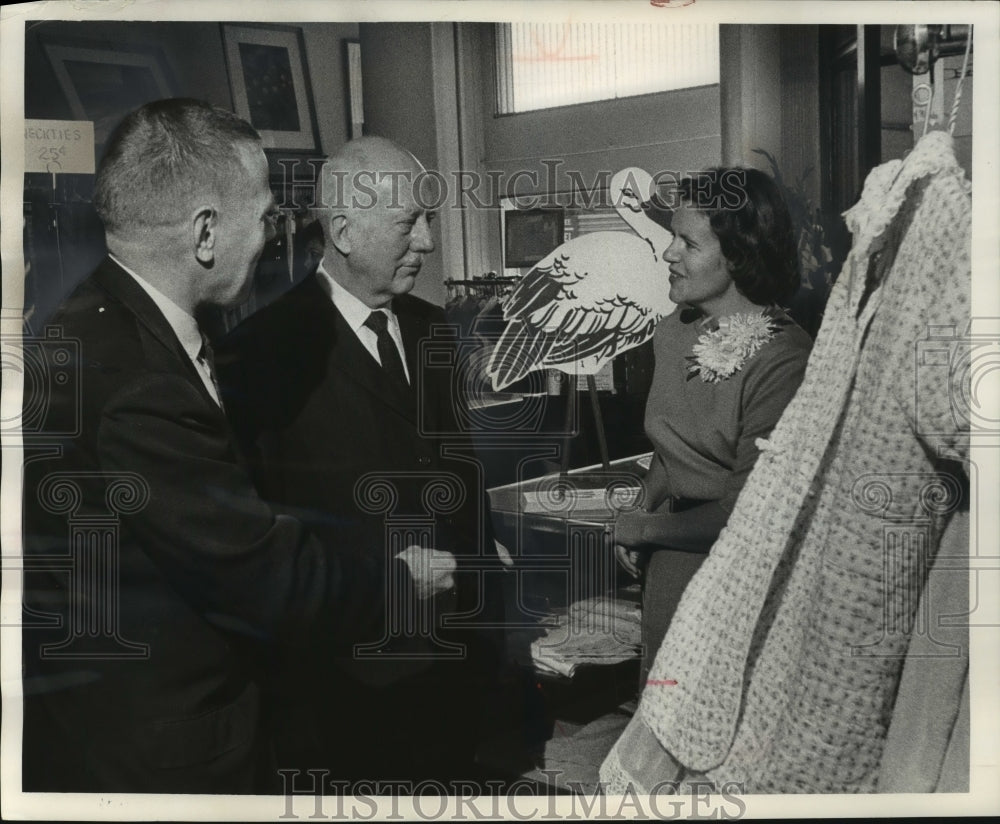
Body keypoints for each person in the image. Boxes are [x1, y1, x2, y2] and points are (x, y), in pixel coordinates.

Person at [19, 100, 455, 795]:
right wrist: (401, 584)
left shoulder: (97, 326)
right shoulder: (136, 380)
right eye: (262, 217)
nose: (271, 238)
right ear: (205, 233)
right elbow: (253, 568)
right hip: (165, 751)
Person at [218, 136, 507, 789]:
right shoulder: (262, 353)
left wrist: (490, 623)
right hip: (342, 691)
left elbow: (464, 485)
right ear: (343, 230)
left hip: (455, 670)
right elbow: (258, 538)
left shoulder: (438, 332)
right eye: (410, 223)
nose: (429, 242)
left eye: (428, 221)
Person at [613, 167, 812, 685]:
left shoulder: (783, 359)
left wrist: (648, 530)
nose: (668, 252)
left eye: (688, 242)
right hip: (668, 566)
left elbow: (756, 511)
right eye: (671, 236)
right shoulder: (672, 333)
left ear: (739, 254)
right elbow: (670, 444)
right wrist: (645, 500)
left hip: (735, 572)